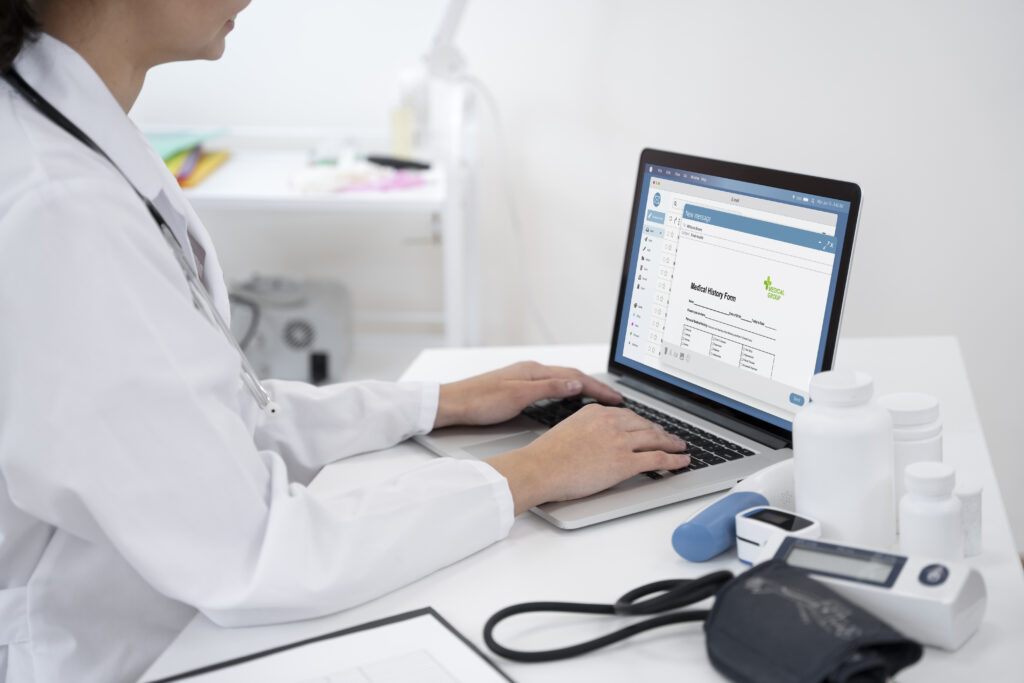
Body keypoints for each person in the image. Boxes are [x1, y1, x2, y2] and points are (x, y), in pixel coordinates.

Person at [0, 2, 689, 681]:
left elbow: (223, 420)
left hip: (166, 617)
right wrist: (534, 472)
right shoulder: (60, 207)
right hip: (119, 653)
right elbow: (257, 555)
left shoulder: (70, 138)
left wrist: (432, 402)